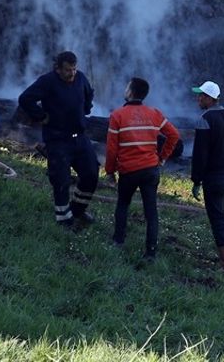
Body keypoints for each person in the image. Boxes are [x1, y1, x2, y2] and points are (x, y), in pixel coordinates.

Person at [19, 51, 99, 227]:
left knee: (91, 174)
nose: (72, 74)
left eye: (74, 69)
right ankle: (64, 221)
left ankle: (77, 211)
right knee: (61, 180)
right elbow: (25, 99)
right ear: (58, 69)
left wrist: (85, 109)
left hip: (80, 137)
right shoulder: (47, 82)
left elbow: (89, 93)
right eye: (68, 70)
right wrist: (40, 116)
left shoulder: (80, 78)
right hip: (58, 139)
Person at [105, 76, 180, 260]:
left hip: (128, 171)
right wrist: (162, 158)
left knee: (123, 204)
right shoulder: (154, 113)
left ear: (130, 92)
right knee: (151, 210)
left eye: (126, 87)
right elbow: (174, 135)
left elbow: (112, 148)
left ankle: (118, 241)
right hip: (150, 169)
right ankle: (150, 252)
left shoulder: (117, 116)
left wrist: (110, 170)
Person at [189, 80, 224, 274]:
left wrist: (196, 180)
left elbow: (200, 155)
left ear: (210, 99)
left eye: (201, 96)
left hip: (214, 178)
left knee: (218, 219)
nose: (198, 98)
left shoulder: (205, 119)